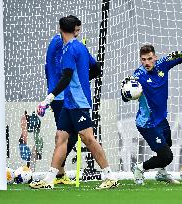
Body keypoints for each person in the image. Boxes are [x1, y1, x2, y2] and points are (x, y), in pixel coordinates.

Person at [30, 16, 117, 189]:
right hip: (69, 103)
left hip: (78, 102)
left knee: (88, 139)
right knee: (61, 138)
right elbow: (95, 68)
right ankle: (50, 179)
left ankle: (110, 176)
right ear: (74, 29)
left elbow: (66, 77)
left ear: (60, 29)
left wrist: (49, 98)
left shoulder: (69, 50)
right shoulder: (80, 47)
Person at [121, 44, 182, 185]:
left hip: (161, 119)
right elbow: (124, 98)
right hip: (147, 123)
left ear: (155, 57)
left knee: (168, 144)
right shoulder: (137, 76)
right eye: (143, 59)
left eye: (149, 58)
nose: (146, 62)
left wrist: (176, 54)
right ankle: (139, 168)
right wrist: (125, 88)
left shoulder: (163, 64)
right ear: (140, 60)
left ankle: (161, 173)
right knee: (167, 157)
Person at [44, 15, 81, 185]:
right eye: (77, 30)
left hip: (65, 93)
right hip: (59, 95)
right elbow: (52, 66)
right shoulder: (59, 43)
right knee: (66, 134)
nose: (78, 33)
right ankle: (56, 171)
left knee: (66, 134)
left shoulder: (68, 44)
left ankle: (59, 172)